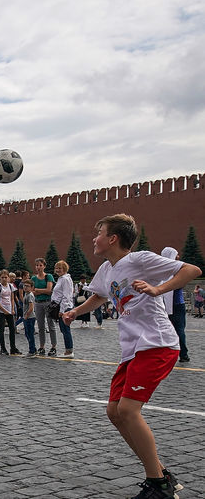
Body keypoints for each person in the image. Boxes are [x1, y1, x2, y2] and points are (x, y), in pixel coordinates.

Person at [62, 213, 200, 499]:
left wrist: (157, 289)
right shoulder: (106, 269)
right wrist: (76, 312)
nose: (94, 238)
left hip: (157, 343)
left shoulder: (139, 260)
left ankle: (158, 485)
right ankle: (161, 474)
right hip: (133, 349)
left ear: (112, 239)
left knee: (127, 411)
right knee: (114, 412)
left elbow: (191, 270)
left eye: (98, 232)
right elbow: (99, 296)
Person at [160, 247, 189, 364]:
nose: (178, 257)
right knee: (180, 329)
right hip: (178, 304)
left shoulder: (161, 272)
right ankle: (183, 354)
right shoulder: (176, 270)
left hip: (165, 304)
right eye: (176, 255)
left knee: (167, 330)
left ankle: (167, 353)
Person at [31, 259, 56, 356]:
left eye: (40, 265)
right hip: (38, 303)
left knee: (51, 325)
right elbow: (31, 291)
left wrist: (37, 290)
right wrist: (42, 291)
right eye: (37, 265)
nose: (38, 267)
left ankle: (53, 346)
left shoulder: (48, 276)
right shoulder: (33, 278)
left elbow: (49, 290)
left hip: (48, 302)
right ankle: (42, 346)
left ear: (44, 266)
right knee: (41, 326)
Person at [0, 270, 21, 356]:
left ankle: (13, 348)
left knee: (12, 328)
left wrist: (12, 309)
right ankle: (3, 348)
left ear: (8, 278)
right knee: (1, 329)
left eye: (6, 277)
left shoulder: (10, 286)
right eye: (2, 277)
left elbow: (12, 298)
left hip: (9, 310)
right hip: (0, 310)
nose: (4, 279)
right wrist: (4, 310)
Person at [51, 261, 75, 358]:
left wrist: (62, 310)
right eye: (56, 268)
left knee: (65, 329)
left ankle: (69, 351)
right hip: (62, 306)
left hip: (64, 307)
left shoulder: (65, 279)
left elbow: (66, 296)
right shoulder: (62, 279)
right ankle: (68, 350)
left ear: (65, 268)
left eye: (60, 268)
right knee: (64, 329)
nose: (57, 270)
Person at [22, 280, 38, 357]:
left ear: (32, 287)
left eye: (27, 286)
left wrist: (26, 316)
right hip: (27, 317)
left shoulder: (30, 295)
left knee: (30, 334)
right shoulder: (26, 294)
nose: (25, 287)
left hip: (30, 317)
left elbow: (31, 307)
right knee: (27, 334)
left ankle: (32, 351)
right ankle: (33, 349)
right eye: (24, 285)